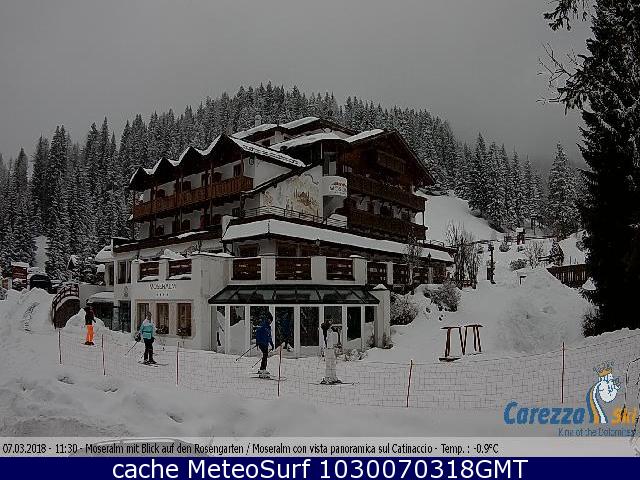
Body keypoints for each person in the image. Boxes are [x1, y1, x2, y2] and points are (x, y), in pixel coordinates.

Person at [255, 311, 274, 378]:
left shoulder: (269, 327)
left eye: (271, 321)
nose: (270, 322)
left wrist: (272, 344)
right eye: (270, 320)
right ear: (268, 319)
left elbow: (269, 336)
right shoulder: (263, 325)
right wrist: (257, 341)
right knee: (265, 354)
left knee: (265, 355)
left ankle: (262, 368)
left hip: (266, 343)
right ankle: (262, 369)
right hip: (261, 342)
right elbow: (257, 332)